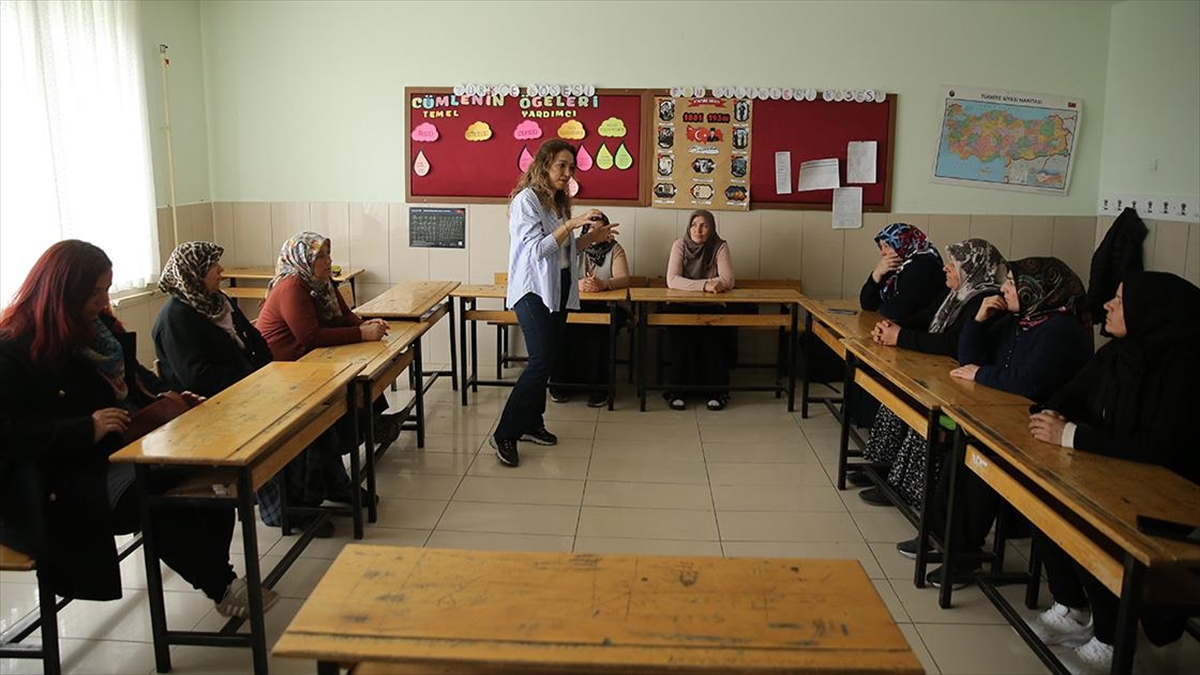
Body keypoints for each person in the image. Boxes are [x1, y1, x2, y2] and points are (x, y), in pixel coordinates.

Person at [0, 240, 276, 618]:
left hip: (117, 445)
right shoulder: (13, 347)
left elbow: (135, 378)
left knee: (211, 469)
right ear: (62, 291)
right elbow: (9, 433)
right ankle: (221, 584)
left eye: (106, 289)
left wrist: (169, 397)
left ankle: (220, 578)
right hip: (58, 474)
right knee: (154, 495)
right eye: (95, 291)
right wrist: (84, 429)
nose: (103, 299)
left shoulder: (97, 330)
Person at [1024, 272, 1199, 674]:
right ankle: (1073, 605)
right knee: (1040, 496)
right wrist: (1052, 412)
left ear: (1149, 312)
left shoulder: (1187, 368)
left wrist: (1070, 435)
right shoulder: (1120, 351)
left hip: (1170, 496)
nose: (1107, 305)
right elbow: (1071, 392)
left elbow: (1163, 450)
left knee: (1093, 525)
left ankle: (1111, 635)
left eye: (1118, 300)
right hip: (1111, 473)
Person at [925, 256, 1094, 589]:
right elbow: (969, 359)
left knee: (978, 467)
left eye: (1014, 283)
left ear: (1038, 290)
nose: (1004, 288)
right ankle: (940, 542)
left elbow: (1030, 385)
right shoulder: (1022, 320)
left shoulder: (1060, 330)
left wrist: (982, 374)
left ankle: (962, 558)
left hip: (1042, 430)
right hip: (1007, 416)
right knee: (956, 455)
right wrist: (978, 320)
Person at [151, 241, 338, 537]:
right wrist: (254, 385)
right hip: (213, 405)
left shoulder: (218, 301)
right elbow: (198, 377)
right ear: (195, 273)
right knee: (289, 422)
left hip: (250, 388)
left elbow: (256, 340)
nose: (221, 270)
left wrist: (266, 377)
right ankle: (286, 507)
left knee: (316, 411)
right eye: (214, 266)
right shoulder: (176, 318)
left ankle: (326, 488)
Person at [492, 140, 618, 467]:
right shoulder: (526, 200)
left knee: (548, 361)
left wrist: (592, 238)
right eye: (562, 165)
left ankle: (532, 422)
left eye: (572, 167)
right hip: (533, 291)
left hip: (559, 286)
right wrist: (572, 225)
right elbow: (536, 251)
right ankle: (505, 433)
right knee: (540, 361)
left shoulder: (559, 202)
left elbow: (564, 250)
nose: (567, 173)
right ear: (545, 164)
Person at [860, 239, 1006, 507]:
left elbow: (952, 344)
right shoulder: (957, 292)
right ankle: (883, 468)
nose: (946, 269)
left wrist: (900, 336)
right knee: (895, 399)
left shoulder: (984, 299)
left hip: (963, 385)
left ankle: (903, 486)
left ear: (970, 267)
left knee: (920, 413)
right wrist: (890, 328)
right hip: (942, 373)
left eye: (954, 264)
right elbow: (926, 318)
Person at [256, 232, 394, 502]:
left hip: (313, 362)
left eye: (328, 254)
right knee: (332, 408)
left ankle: (370, 428)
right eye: (320, 256)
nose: (328, 261)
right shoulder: (292, 286)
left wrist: (363, 325)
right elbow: (311, 336)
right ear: (303, 259)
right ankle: (336, 480)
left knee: (361, 381)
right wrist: (361, 335)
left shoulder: (321, 282)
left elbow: (344, 315)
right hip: (285, 373)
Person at [848, 222, 948, 482]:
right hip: (907, 338)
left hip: (923, 349)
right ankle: (881, 460)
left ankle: (888, 467)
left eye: (887, 246)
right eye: (881, 247)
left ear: (902, 243)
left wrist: (892, 323)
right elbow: (869, 304)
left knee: (893, 392)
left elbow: (893, 311)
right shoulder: (903, 266)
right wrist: (876, 274)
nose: (883, 253)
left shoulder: (923, 266)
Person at [549, 212, 631, 408]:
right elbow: (558, 274)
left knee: (599, 332)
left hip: (607, 306)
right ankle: (561, 385)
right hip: (575, 303)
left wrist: (603, 284)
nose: (595, 233)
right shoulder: (574, 248)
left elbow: (624, 279)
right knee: (564, 329)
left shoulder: (616, 249)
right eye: (591, 229)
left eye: (600, 229)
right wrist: (578, 284)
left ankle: (598, 388)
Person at [664, 209, 736, 412]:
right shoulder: (679, 245)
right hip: (681, 305)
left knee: (714, 339)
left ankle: (716, 392)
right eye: (694, 225)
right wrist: (705, 285)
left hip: (713, 305)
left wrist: (698, 284)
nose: (699, 230)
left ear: (712, 228)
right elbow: (672, 280)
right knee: (681, 339)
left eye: (704, 225)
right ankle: (677, 392)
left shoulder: (720, 246)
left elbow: (728, 280)